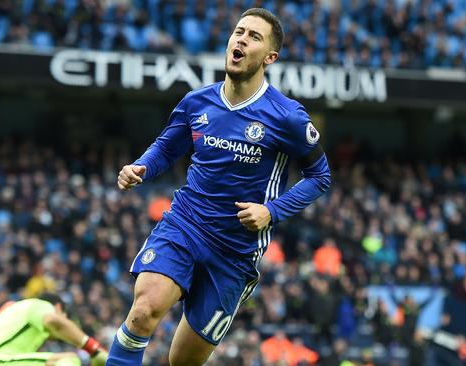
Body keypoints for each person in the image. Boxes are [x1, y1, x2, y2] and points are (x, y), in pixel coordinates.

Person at [109, 8, 331, 365]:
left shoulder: (287, 117)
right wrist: (141, 167)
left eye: (254, 36)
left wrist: (271, 212)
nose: (241, 39)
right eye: (238, 31)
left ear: (270, 57)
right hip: (185, 224)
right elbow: (168, 146)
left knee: (182, 361)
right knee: (144, 310)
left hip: (234, 251)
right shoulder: (197, 102)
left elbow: (320, 176)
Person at [0, 293, 108, 366]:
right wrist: (93, 350)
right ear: (58, 308)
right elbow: (53, 321)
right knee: (67, 360)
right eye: (65, 318)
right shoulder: (38, 305)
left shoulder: (16, 315)